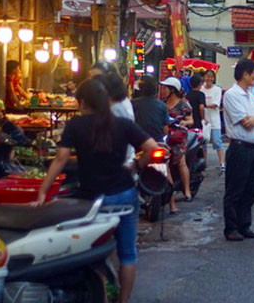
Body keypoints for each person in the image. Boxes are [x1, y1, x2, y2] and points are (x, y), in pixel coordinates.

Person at [35, 78, 157, 303]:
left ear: (82, 102)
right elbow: (153, 149)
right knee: (128, 254)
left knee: (87, 252)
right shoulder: (122, 124)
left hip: (92, 199)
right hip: (124, 194)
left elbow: (60, 159)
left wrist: (43, 191)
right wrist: (138, 165)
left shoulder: (76, 125)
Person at [222, 58, 254, 241]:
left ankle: (244, 225)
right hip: (239, 148)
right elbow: (246, 123)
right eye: (253, 74)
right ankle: (231, 227)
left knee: (250, 189)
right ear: (244, 75)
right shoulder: (232, 95)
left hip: (253, 148)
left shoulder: (250, 94)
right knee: (235, 189)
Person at [162, 76, 194, 205]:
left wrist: (185, 123)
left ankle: (187, 191)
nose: (163, 90)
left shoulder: (183, 104)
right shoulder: (162, 103)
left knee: (181, 162)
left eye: (165, 88)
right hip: (165, 136)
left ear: (172, 90)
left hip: (179, 136)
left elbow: (191, 120)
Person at [201, 70, 225, 170]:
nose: (209, 79)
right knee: (203, 143)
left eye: (211, 77)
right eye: (207, 77)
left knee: (217, 141)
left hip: (214, 120)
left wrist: (203, 106)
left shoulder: (217, 90)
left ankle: (222, 163)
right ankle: (204, 164)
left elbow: (215, 104)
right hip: (204, 120)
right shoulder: (201, 89)